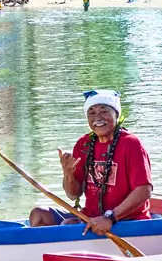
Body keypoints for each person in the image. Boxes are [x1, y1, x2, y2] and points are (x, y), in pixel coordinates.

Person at [31, 89, 154, 234]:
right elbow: (73, 194)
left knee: (67, 226)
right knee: (38, 215)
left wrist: (110, 218)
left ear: (116, 114)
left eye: (104, 111)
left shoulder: (131, 144)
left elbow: (144, 191)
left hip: (125, 221)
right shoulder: (83, 144)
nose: (98, 118)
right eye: (92, 112)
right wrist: (68, 174)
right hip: (90, 218)